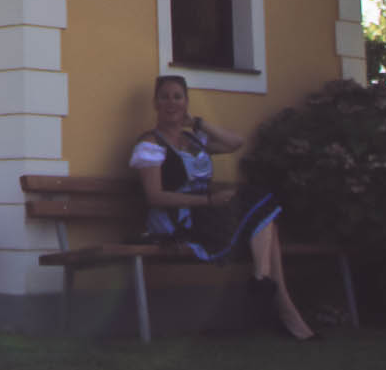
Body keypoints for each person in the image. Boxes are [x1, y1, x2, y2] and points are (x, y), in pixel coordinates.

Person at [128, 74, 315, 340]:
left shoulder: (193, 140)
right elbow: (154, 197)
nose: (171, 103)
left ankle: (263, 282)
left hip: (207, 212)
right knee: (264, 214)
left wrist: (199, 123)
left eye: (177, 97)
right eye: (165, 97)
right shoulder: (150, 144)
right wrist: (207, 201)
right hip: (177, 221)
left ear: (186, 102)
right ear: (155, 103)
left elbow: (235, 142)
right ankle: (278, 302)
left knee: (262, 203)